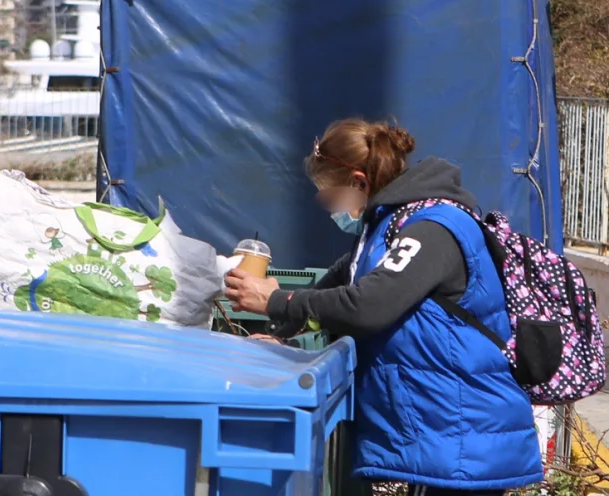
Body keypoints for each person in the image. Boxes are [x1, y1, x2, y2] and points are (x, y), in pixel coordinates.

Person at [224, 118, 543, 496]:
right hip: (439, 432)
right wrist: (281, 334)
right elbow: (333, 294)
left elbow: (367, 305)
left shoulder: (433, 227)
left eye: (328, 195)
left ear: (359, 182)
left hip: (464, 431)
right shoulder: (383, 230)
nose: (326, 207)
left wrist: (274, 300)